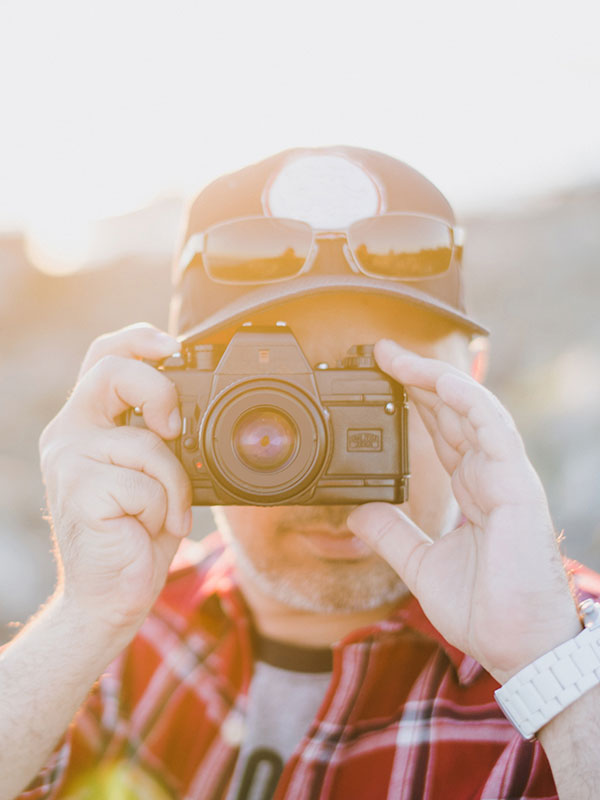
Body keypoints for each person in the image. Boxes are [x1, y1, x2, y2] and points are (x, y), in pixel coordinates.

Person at [1, 147, 599, 800]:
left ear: (474, 384)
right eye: (269, 410)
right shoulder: (128, 634)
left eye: (378, 394)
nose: (328, 480)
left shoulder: (571, 652)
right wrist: (82, 617)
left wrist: (552, 669)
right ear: (177, 404)